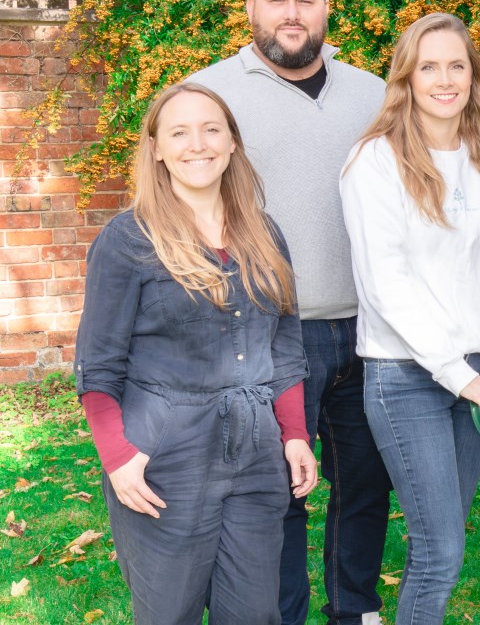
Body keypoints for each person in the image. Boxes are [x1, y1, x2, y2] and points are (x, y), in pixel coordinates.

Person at [190, 0, 392, 625]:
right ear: (250, 8)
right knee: (277, 491)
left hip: (371, 329)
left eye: (306, 0)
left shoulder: (375, 94)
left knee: (364, 487)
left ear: (327, 9)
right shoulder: (210, 96)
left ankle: (354, 612)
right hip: (267, 331)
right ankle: (280, 615)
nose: (292, 13)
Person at [75, 82, 319, 624]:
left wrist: (296, 433)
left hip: (257, 453)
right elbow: (98, 367)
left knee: (256, 614)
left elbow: (284, 344)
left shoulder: (264, 233)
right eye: (179, 132)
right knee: (170, 613)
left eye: (211, 129)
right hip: (164, 456)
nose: (197, 144)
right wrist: (118, 457)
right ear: (157, 148)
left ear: (232, 142)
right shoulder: (127, 241)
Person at [340, 12, 480, 624]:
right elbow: (386, 284)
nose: (444, 79)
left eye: (457, 65)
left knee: (445, 544)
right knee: (440, 547)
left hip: (476, 372)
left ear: (474, 76)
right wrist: (462, 377)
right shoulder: (375, 161)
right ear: (406, 78)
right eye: (429, 67)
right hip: (407, 378)